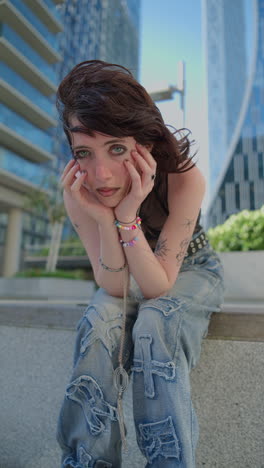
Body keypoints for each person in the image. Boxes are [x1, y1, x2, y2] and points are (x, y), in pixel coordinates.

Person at [56, 60, 224, 468]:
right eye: (84, 152)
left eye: (117, 148)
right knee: (99, 322)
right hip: (127, 272)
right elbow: (114, 287)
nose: (101, 173)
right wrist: (102, 217)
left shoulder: (184, 178)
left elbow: (158, 286)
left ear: (145, 143)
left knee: (154, 322)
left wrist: (127, 215)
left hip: (189, 269)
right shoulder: (79, 192)